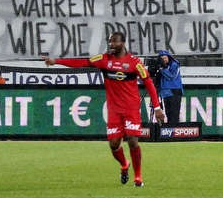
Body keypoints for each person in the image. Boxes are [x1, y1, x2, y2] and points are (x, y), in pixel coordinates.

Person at [44, 31, 165, 187]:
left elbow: (148, 82)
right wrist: (57, 61)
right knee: (114, 144)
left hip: (131, 109)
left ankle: (138, 177)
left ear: (123, 43)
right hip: (114, 110)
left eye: (114, 42)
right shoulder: (103, 59)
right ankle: (124, 164)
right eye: (110, 41)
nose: (111, 44)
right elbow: (82, 62)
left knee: (132, 141)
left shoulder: (134, 62)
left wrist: (157, 107)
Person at [156, 50, 184, 124]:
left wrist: (162, 70)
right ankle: (169, 130)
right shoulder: (162, 66)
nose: (163, 59)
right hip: (166, 92)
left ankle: (174, 130)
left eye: (165, 57)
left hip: (174, 91)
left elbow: (172, 76)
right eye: (161, 58)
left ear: (169, 57)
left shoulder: (174, 64)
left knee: (174, 114)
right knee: (169, 113)